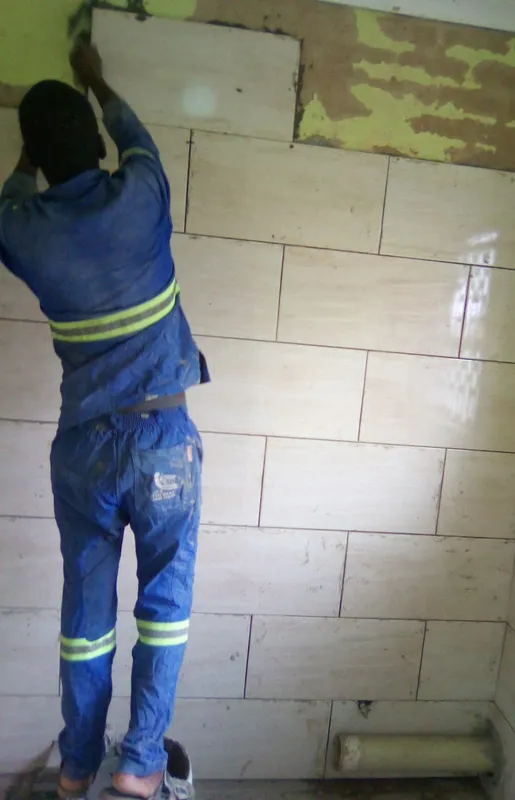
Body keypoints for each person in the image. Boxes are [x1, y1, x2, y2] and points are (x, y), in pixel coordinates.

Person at [0, 42, 209, 800]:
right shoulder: (143, 195)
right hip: (162, 445)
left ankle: (77, 768)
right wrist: (96, 81)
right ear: (95, 145)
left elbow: (10, 198)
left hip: (83, 451)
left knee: (86, 618)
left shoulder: (23, 231)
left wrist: (31, 155)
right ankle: (140, 764)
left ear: (39, 159)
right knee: (164, 608)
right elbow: (137, 136)